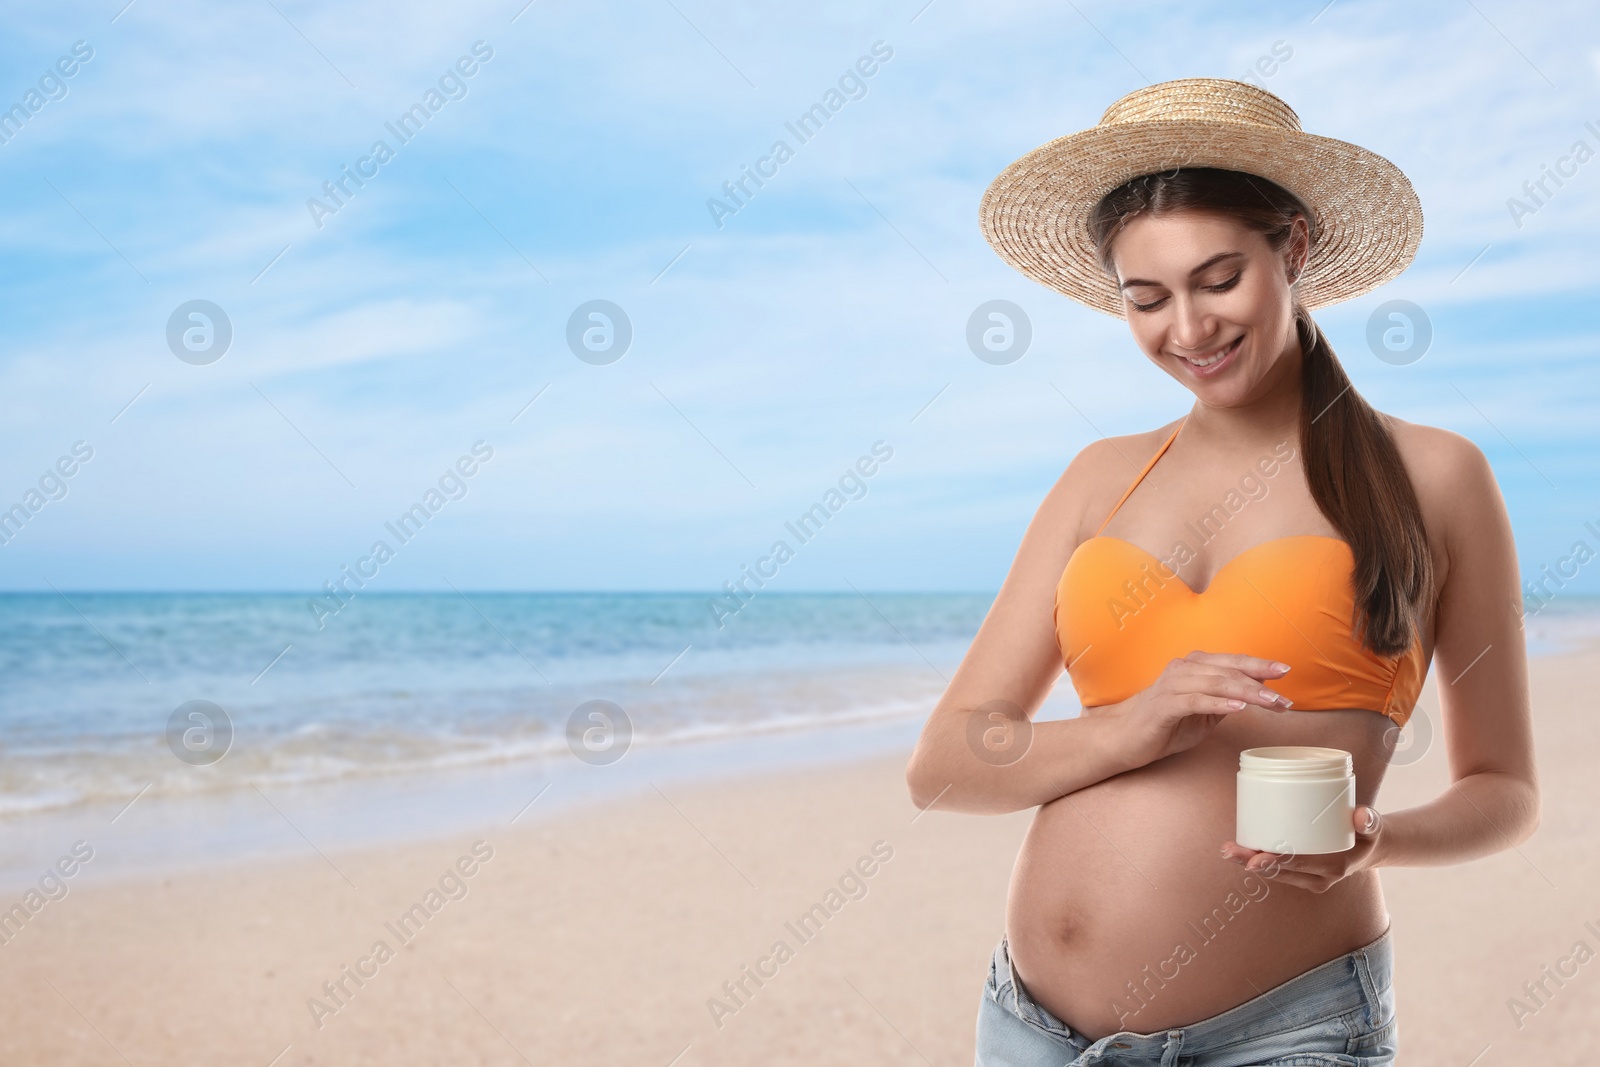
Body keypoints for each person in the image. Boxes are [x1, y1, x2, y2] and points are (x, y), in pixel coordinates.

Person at [905, 77, 1539, 1066]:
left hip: (1284, 1032)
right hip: (1030, 1027)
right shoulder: (1098, 475)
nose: (1187, 329)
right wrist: (1130, 723)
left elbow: (1503, 787)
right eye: (1145, 298)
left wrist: (1374, 837)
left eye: (1216, 279)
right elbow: (944, 762)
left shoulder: (1432, 475)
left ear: (1290, 249)